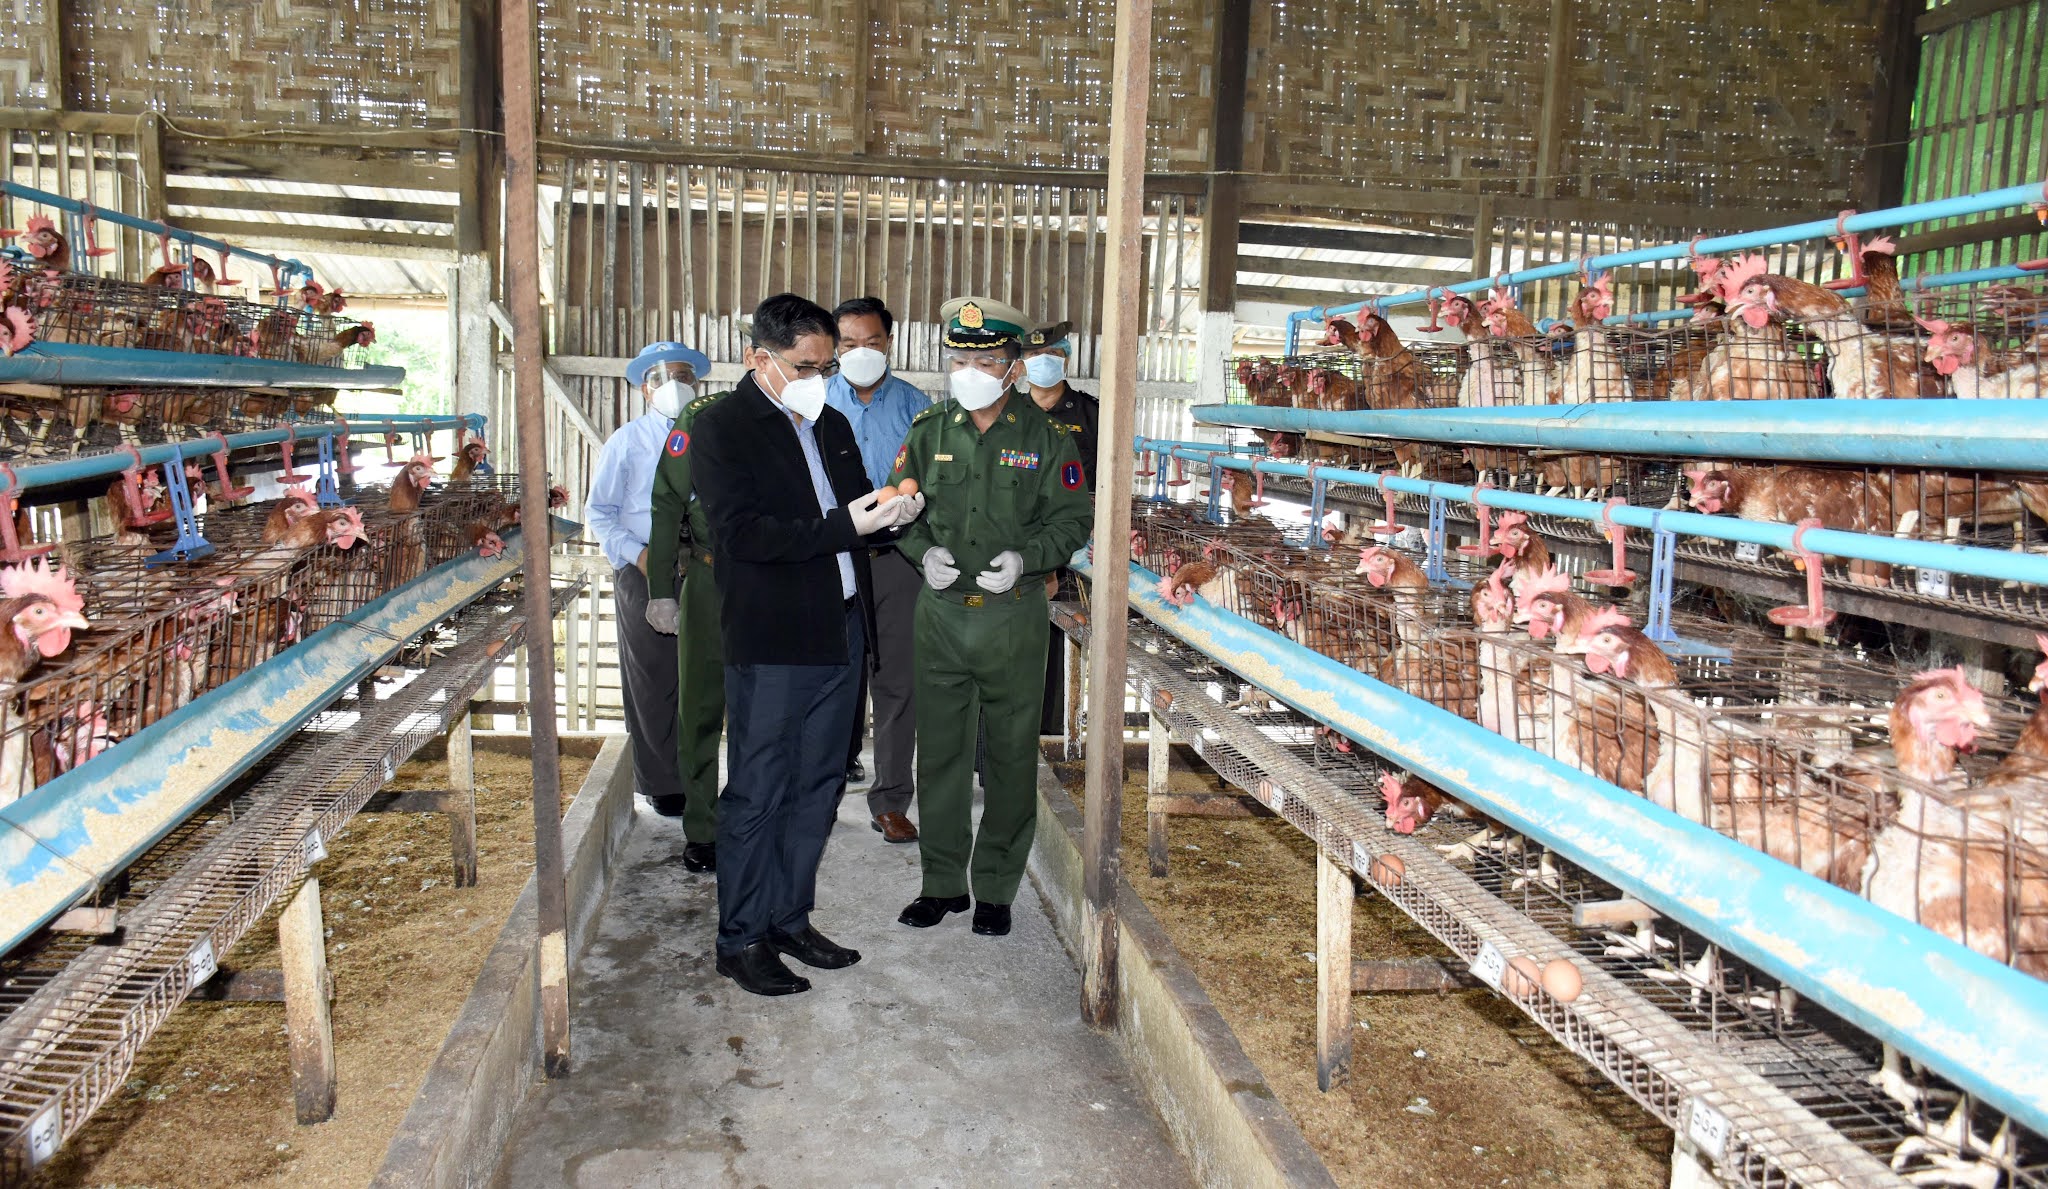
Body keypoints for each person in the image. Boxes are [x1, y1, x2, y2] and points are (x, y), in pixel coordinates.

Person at [690, 293, 924, 996]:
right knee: (759, 788)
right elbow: (744, 535)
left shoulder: (829, 423)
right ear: (756, 358)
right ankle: (741, 938)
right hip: (775, 635)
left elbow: (857, 511)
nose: (818, 379)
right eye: (804, 366)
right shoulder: (722, 428)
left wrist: (895, 513)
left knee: (819, 784)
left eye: (826, 366)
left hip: (841, 625)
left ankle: (788, 917)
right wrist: (848, 525)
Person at [888, 296, 1092, 938]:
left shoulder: (1049, 438)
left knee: (1009, 757)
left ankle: (997, 888)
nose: (968, 371)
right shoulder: (928, 431)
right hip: (941, 618)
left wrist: (1028, 558)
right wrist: (922, 551)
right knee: (939, 755)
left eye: (984, 361)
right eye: (959, 360)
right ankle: (942, 884)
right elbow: (900, 506)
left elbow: (1073, 520)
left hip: (1013, 617)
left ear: (1013, 367)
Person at [587, 341, 706, 828]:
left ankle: (701, 774)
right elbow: (599, 511)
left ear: (697, 384)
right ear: (644, 389)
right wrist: (638, 556)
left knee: (704, 676)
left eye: (683, 375)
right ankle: (663, 782)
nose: (673, 385)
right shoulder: (627, 441)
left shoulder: (712, 434)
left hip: (704, 565)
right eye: (660, 378)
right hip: (643, 566)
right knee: (654, 676)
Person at [825, 296, 931, 843]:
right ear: (834, 346)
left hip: (895, 557)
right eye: (849, 343)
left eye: (871, 342)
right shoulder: (814, 401)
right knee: (829, 679)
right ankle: (819, 795)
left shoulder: (919, 408)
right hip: (831, 558)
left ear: (889, 342)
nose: (860, 352)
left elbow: (933, 481)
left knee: (896, 681)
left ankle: (890, 800)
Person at [642, 368, 735, 874]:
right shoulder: (703, 417)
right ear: (757, 358)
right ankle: (703, 827)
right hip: (709, 580)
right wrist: (661, 590)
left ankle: (751, 822)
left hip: (777, 584)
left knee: (765, 714)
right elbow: (666, 503)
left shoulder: (807, 418)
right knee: (699, 709)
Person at [1020, 320, 1100, 737]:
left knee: (1062, 641)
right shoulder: (1009, 414)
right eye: (1033, 355)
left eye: (1051, 354)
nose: (1042, 362)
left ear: (1066, 359)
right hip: (1019, 544)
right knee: (1013, 641)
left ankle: (1052, 736)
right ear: (1020, 364)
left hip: (1076, 551)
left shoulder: (1092, 414)